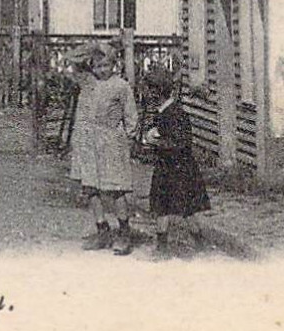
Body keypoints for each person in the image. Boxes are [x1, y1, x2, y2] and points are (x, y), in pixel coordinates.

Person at [72, 43, 138, 254]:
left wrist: (131, 138)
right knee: (91, 187)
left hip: (112, 142)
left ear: (114, 65)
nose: (102, 70)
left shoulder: (121, 86)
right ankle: (102, 229)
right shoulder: (88, 83)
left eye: (106, 65)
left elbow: (131, 116)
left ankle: (124, 231)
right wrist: (94, 47)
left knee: (115, 189)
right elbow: (72, 58)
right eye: (98, 66)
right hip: (88, 141)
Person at [141, 68, 211, 258]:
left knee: (187, 209)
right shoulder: (163, 112)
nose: (146, 95)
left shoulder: (175, 114)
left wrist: (156, 142)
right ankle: (162, 247)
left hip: (180, 168)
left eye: (149, 90)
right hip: (166, 167)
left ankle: (200, 244)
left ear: (157, 92)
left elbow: (180, 143)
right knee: (162, 206)